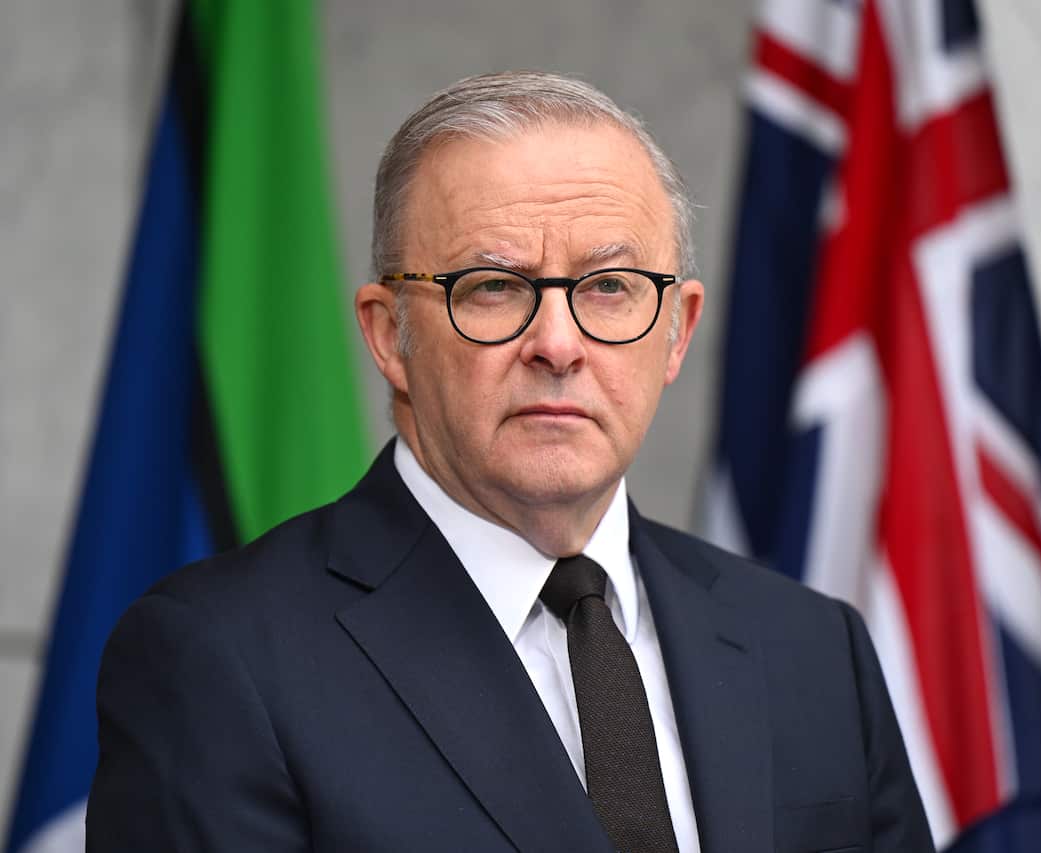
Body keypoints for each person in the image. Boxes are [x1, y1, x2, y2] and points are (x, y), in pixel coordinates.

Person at [86, 71, 933, 853]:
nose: (558, 344)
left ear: (677, 330)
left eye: (609, 287)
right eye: (492, 287)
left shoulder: (815, 651)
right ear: (390, 335)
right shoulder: (215, 661)